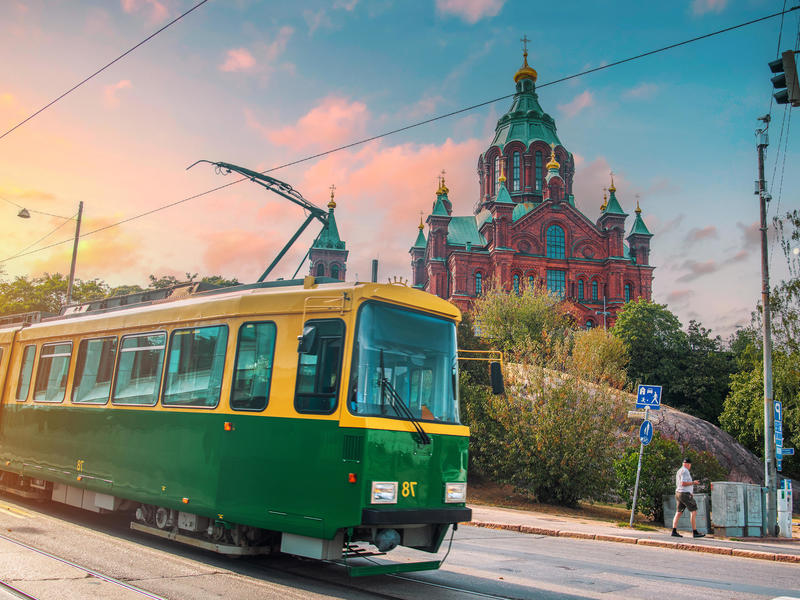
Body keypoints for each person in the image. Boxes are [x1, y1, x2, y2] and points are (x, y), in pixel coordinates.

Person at [672, 457, 705, 538]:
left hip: (678, 493)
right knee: (694, 511)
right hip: (684, 494)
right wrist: (693, 482)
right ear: (687, 464)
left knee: (679, 512)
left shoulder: (680, 470)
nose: (690, 466)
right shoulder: (685, 471)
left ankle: (674, 531)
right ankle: (695, 532)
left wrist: (690, 491)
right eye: (690, 464)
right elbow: (683, 483)